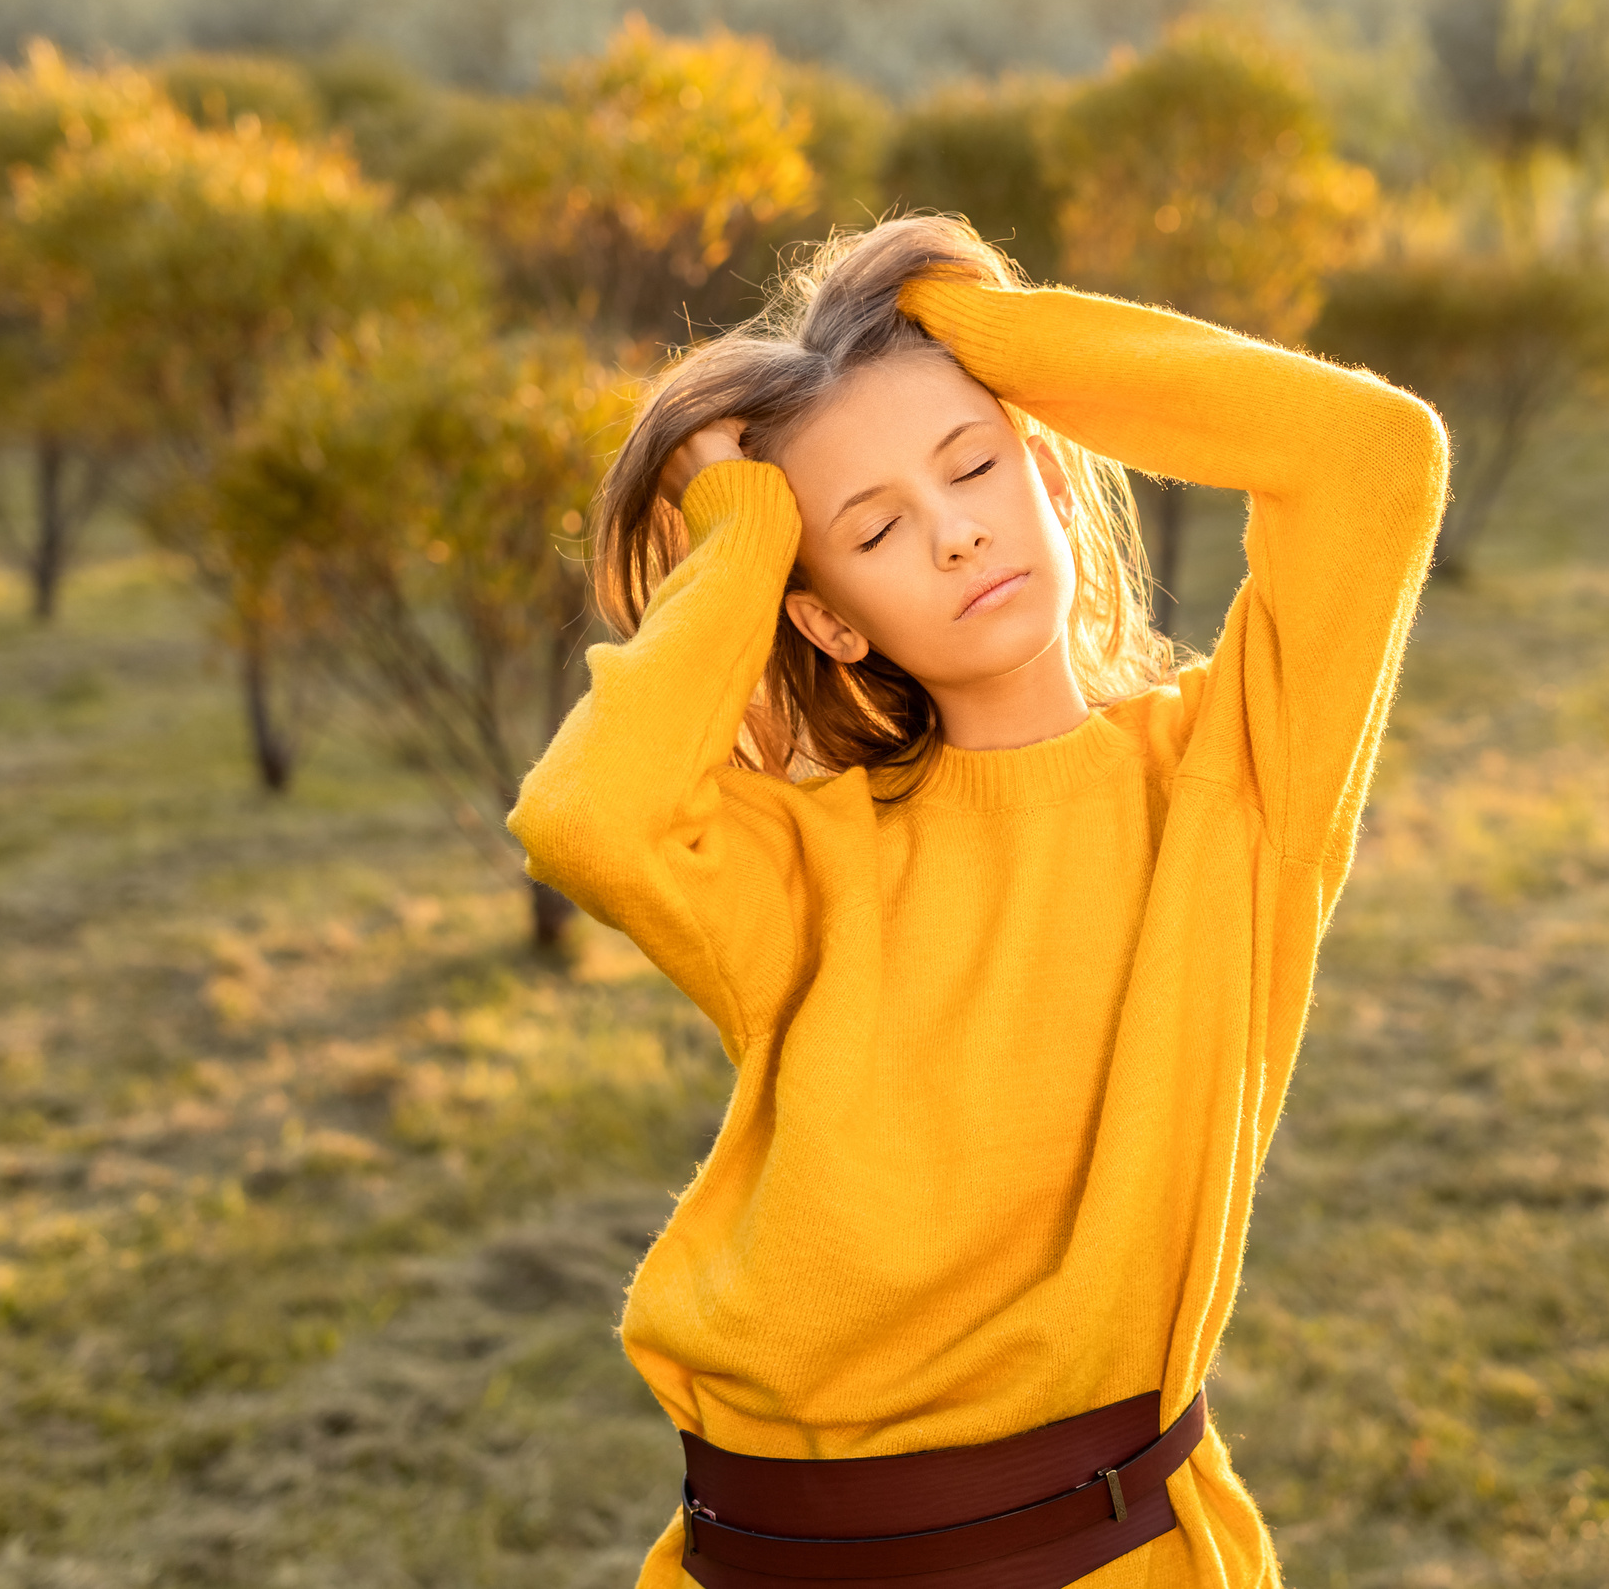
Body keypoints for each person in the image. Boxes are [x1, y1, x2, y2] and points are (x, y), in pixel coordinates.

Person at [507, 214, 1447, 1589]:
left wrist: (969, 329)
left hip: (1090, 1556)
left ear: (1051, 480)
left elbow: (1375, 455)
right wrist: (744, 536)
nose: (955, 536)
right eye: (876, 531)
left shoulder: (1236, 782)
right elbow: (586, 819)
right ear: (828, 618)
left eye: (976, 467)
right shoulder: (811, 860)